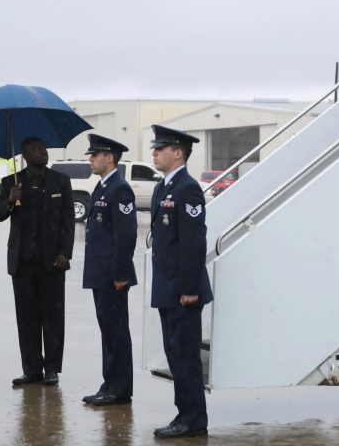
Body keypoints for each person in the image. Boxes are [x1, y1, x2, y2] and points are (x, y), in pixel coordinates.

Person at [0, 136, 74, 387]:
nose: (43, 152)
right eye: (36, 150)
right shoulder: (10, 182)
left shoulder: (61, 181)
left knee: (52, 317)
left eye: (44, 148)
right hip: (23, 262)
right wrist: (9, 199)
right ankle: (31, 369)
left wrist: (65, 253)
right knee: (26, 318)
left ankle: (51, 369)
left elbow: (68, 221)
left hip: (52, 263)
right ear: (25, 155)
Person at [149, 124, 212, 440]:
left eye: (161, 148)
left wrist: (189, 288)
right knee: (174, 353)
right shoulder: (164, 187)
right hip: (167, 287)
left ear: (178, 152)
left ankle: (192, 418)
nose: (155, 152)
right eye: (155, 148)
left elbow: (193, 243)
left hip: (182, 291)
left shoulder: (187, 188)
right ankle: (185, 414)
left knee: (185, 355)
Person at [81, 134, 137, 407]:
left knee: (116, 331)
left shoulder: (119, 188)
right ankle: (110, 384)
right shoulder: (102, 187)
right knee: (108, 331)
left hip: (113, 275)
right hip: (100, 273)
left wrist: (120, 274)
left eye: (95, 154)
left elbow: (126, 235)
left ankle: (119, 388)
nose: (90, 158)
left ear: (110, 157)